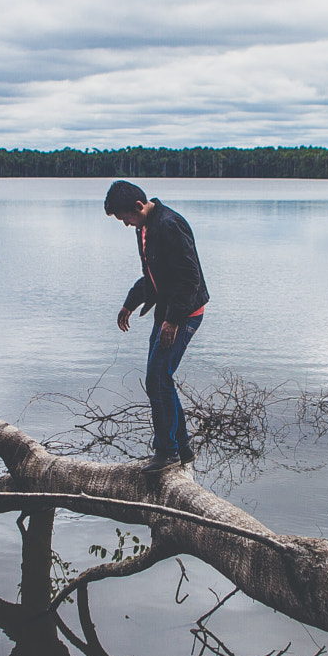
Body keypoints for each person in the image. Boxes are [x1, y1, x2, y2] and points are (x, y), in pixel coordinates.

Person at [103, 181, 210, 473]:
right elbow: (152, 275)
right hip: (167, 310)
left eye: (126, 217)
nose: (126, 224)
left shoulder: (170, 225)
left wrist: (173, 321)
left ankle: (167, 453)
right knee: (160, 378)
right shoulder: (145, 228)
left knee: (158, 378)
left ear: (139, 207)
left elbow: (190, 278)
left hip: (185, 311)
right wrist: (130, 303)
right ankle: (182, 448)